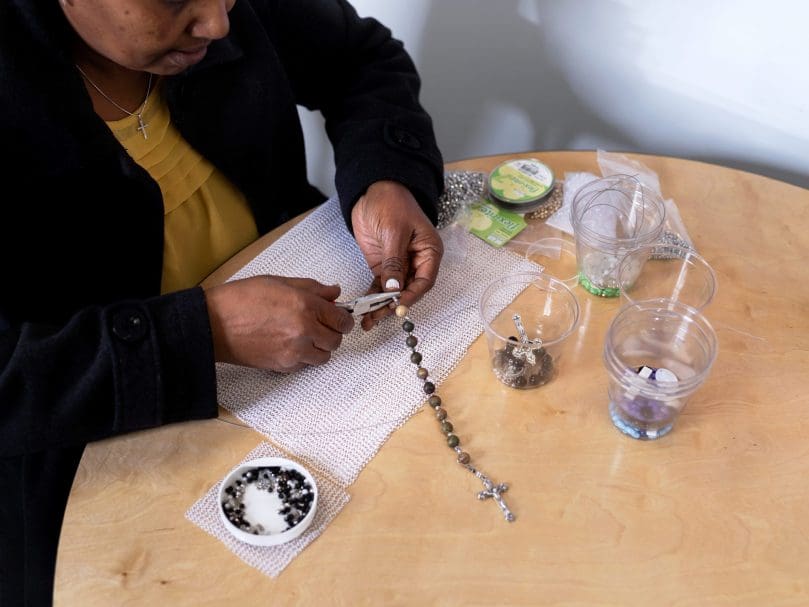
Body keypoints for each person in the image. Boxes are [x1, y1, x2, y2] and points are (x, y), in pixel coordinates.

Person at [0, 1, 445, 604]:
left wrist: (384, 177)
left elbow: (360, 56)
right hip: (94, 448)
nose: (217, 24)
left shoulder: (227, 10)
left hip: (305, 347)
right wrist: (200, 331)